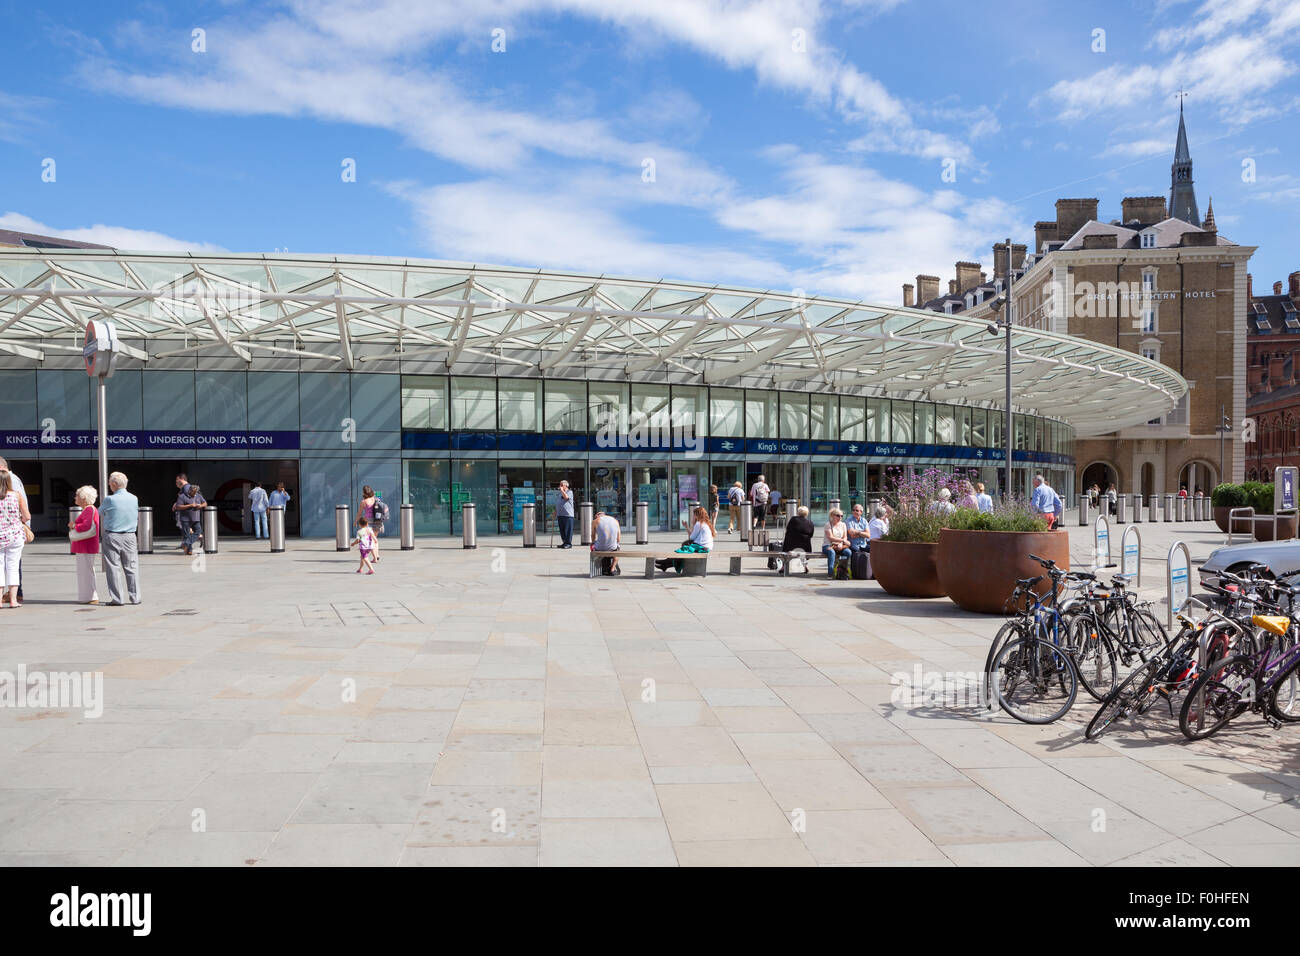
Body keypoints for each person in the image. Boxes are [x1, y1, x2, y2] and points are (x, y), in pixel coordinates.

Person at [100, 471, 141, 606]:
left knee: (113, 567)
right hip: (130, 536)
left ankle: (117, 598)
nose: (109, 485)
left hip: (112, 535)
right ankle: (135, 598)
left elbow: (99, 512)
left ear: (114, 484)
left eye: (110, 483)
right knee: (131, 567)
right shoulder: (134, 498)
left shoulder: (109, 499)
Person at [0, 470, 31, 608]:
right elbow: (27, 516)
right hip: (15, 535)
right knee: (12, 567)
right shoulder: (16, 496)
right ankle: (13, 600)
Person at [67, 485, 100, 604]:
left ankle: (89, 597)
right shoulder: (90, 509)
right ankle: (89, 596)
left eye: (78, 496)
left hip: (85, 545)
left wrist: (74, 526)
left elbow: (87, 526)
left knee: (85, 572)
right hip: (86, 546)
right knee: (87, 571)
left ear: (84, 498)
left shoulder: (88, 509)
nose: (75, 497)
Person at [658, 506, 714, 574]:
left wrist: (688, 527)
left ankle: (665, 563)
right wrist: (687, 527)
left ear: (697, 515)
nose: (693, 516)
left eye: (694, 515)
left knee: (683, 549)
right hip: (707, 547)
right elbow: (692, 538)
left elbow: (691, 538)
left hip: (701, 547)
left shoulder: (699, 523)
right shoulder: (707, 523)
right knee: (684, 547)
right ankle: (665, 564)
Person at [783, 505, 815, 574]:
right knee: (802, 546)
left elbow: (788, 529)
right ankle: (804, 565)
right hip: (805, 547)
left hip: (790, 546)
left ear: (798, 512)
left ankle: (783, 566)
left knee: (788, 537)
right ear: (807, 513)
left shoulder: (793, 519)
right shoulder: (810, 522)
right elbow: (811, 535)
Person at [357, 486, 386, 561]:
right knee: (375, 539)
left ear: (364, 492)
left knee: (369, 540)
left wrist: (355, 521)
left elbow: (359, 514)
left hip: (368, 523)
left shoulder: (364, 502)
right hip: (377, 520)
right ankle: (377, 555)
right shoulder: (376, 499)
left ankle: (373, 557)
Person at [176, 482, 206, 555]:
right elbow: (178, 506)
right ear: (189, 490)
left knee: (198, 531)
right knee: (187, 535)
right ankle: (189, 550)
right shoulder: (182, 496)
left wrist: (200, 506)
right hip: (185, 519)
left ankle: (186, 543)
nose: (194, 494)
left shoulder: (198, 496)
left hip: (196, 518)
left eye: (195, 492)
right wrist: (190, 505)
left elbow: (205, 503)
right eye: (193, 492)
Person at [822, 507, 851, 578]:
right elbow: (831, 538)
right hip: (828, 545)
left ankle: (843, 571)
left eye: (841, 516)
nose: (840, 517)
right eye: (838, 515)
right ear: (832, 515)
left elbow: (845, 537)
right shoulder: (828, 524)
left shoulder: (843, 524)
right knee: (832, 552)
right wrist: (842, 541)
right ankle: (831, 573)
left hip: (840, 545)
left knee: (848, 552)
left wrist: (841, 544)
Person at [591, 508, 621, 575]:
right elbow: (619, 539)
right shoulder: (615, 520)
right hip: (612, 548)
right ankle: (612, 569)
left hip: (600, 548)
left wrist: (593, 543)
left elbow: (593, 536)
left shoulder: (595, 521)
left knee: (594, 545)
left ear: (597, 516)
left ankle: (599, 566)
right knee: (618, 548)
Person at [555, 480, 575, 549]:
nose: (560, 486)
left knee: (568, 530)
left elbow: (566, 497)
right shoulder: (560, 493)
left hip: (567, 514)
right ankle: (564, 542)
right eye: (560, 484)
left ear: (566, 486)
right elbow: (558, 502)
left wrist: (562, 491)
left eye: (561, 485)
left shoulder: (570, 492)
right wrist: (555, 511)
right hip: (560, 514)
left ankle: (568, 543)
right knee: (562, 530)